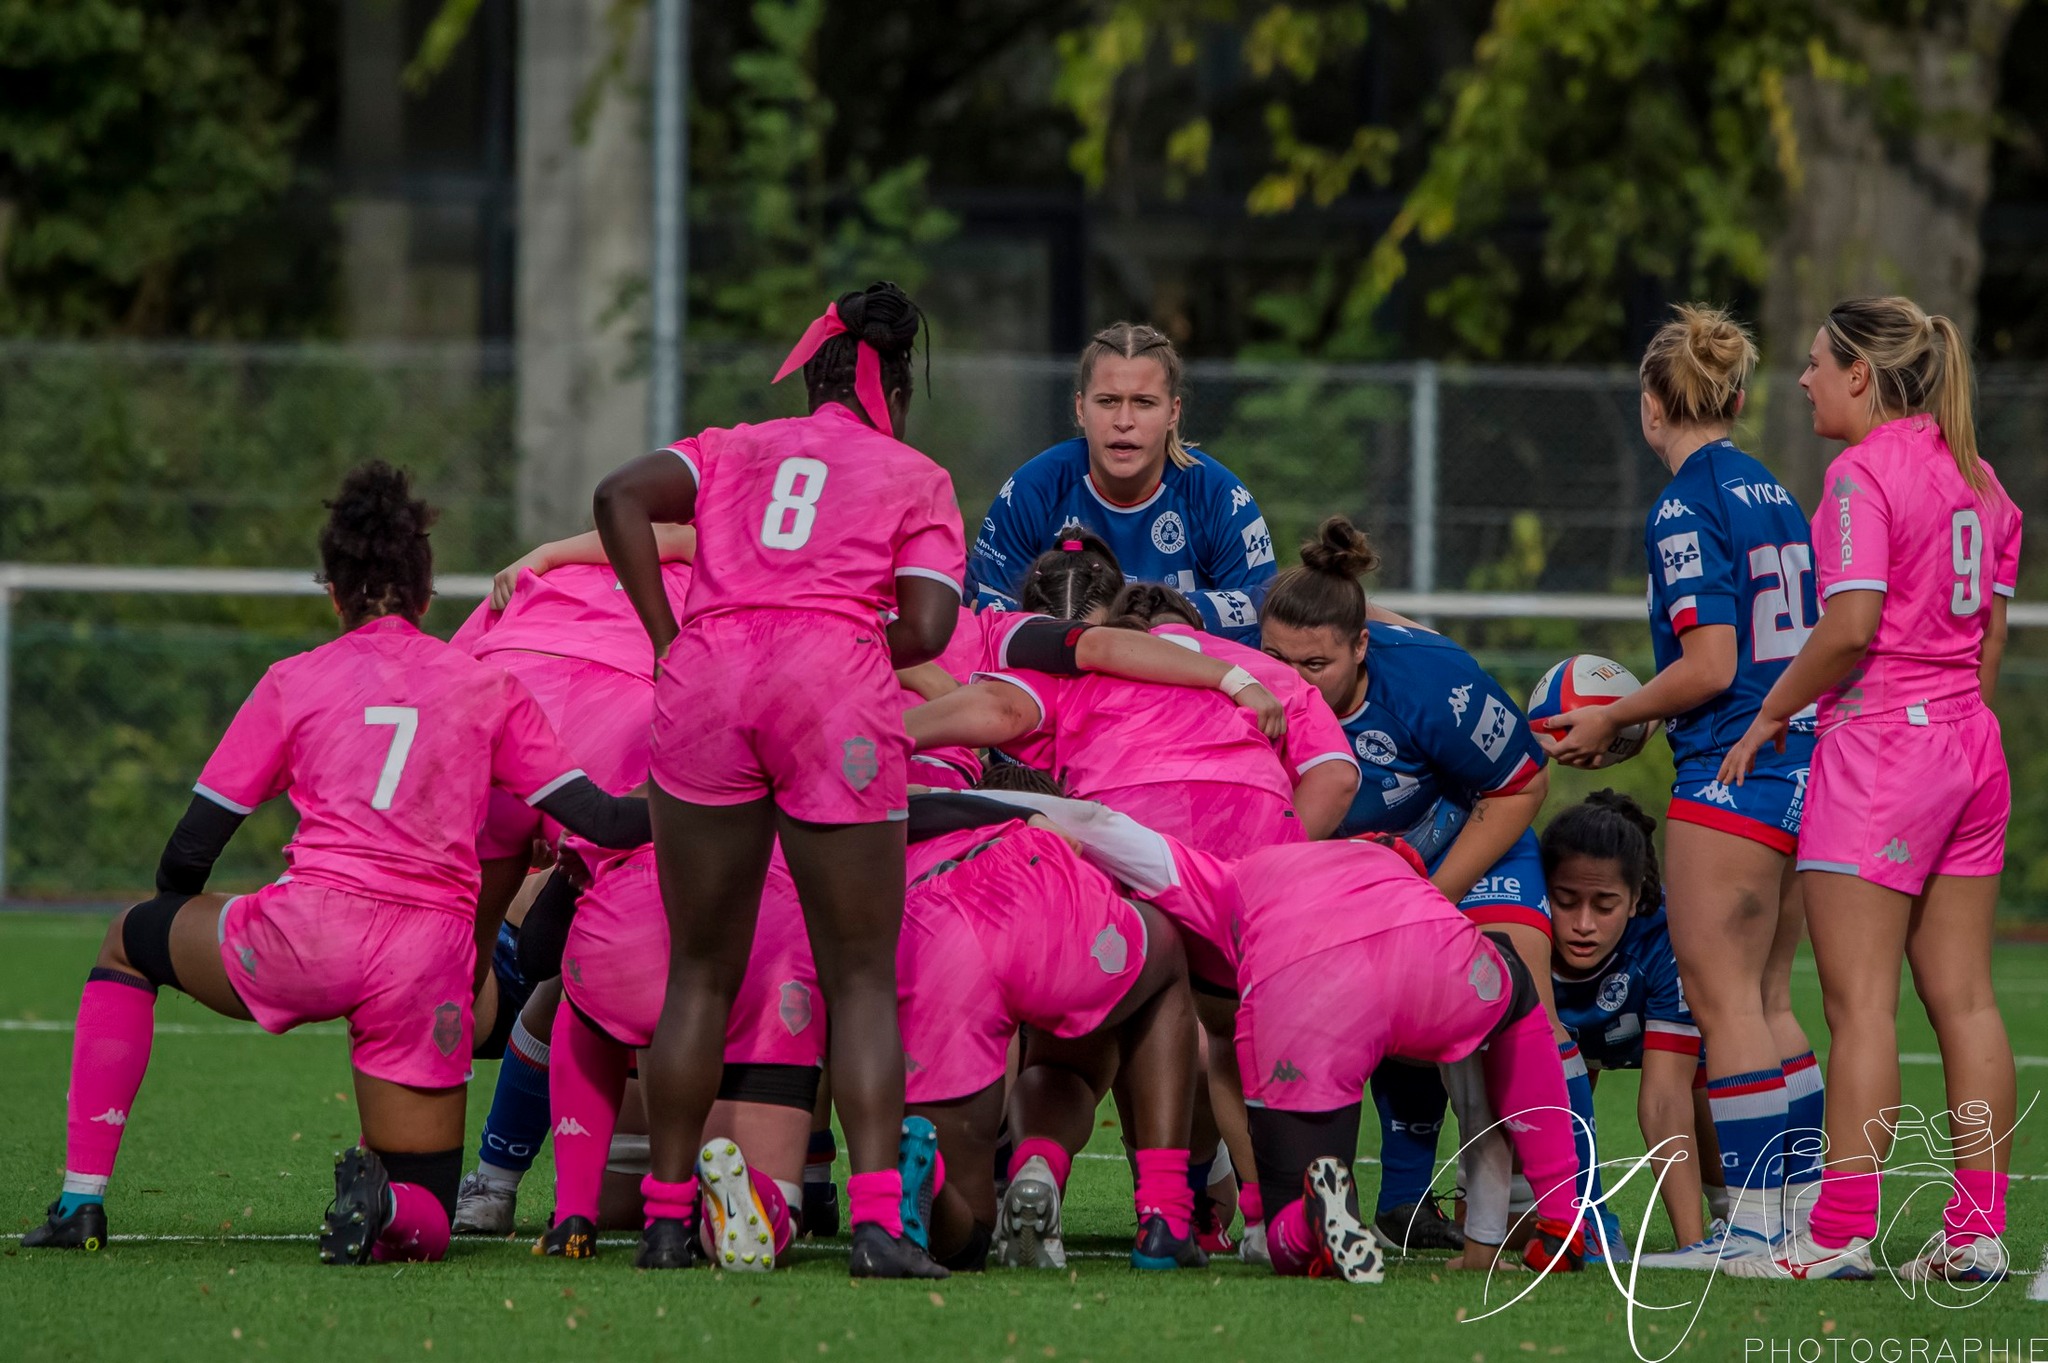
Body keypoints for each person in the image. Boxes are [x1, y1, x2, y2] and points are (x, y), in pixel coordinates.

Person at [21, 463, 654, 1262]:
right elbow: (597, 815)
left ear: (334, 594)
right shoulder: (487, 685)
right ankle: (386, 1205)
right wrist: (705, 795)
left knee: (126, 940)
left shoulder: (294, 681)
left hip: (303, 933)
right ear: (427, 596)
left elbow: (191, 846)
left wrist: (181, 923)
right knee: (426, 1204)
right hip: (427, 966)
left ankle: (81, 1199)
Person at [592, 281, 963, 1277]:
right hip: (830, 685)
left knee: (699, 971)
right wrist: (834, 643)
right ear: (899, 379)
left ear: (813, 369)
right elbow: (926, 629)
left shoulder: (732, 445)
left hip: (707, 676)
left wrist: (673, 640)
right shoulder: (912, 471)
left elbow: (617, 496)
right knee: (859, 975)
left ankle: (667, 1221)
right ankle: (881, 1225)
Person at [1720, 296, 2021, 1283]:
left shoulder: (1859, 475)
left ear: (1860, 374)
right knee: (1966, 1002)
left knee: (1858, 1006)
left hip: (1884, 746)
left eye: (1813, 363)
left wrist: (1768, 713)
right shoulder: (1979, 477)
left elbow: (1848, 626)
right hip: (1969, 745)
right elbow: (1986, 641)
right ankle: (1975, 1232)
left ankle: (1839, 1229)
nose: (1801, 379)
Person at [988, 792, 1592, 1283]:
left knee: (1281, 1231)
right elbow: (1482, 1116)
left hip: (1302, 988)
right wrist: (1486, 1243)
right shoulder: (1401, 875)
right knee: (1514, 993)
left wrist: (960, 800)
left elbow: (1098, 823)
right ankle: (1564, 1219)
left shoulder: (1238, 871)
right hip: (1429, 949)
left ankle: (1310, 1222)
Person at [1545, 305, 1825, 1270]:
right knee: (1773, 995)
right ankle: (1799, 1221)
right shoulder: (1777, 491)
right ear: (1738, 399)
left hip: (1733, 770)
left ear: (1650, 406)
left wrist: (1619, 717)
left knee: (1722, 999)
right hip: (1800, 758)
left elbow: (1710, 664)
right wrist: (1647, 714)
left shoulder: (1683, 502)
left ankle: (1749, 1226)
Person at [1258, 516, 1592, 1260]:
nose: (1289, 678)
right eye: (1275, 657)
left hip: (1468, 839)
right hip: (1356, 878)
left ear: (1362, 647)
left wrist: (1431, 896)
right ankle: (1363, 1207)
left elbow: (1519, 786)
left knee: (1515, 996)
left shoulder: (1432, 682)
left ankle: (1568, 1211)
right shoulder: (1249, 693)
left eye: (1314, 664)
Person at [445, 532, 698, 1235]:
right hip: (619, 759)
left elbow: (452, 671)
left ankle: (443, 1176)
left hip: (496, 710)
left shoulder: (551, 577)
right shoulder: (743, 562)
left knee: (464, 969)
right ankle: (793, 1184)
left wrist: (546, 555)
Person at [893, 791, 1200, 1271]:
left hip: (934, 935)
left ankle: (931, 1185)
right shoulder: (1061, 829)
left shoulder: (914, 818)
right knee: (1164, 957)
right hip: (1034, 888)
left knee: (968, 1234)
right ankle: (1166, 1218)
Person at [966, 323, 1276, 644]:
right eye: (1108, 401)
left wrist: (1168, 611)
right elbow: (983, 613)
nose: (1124, 421)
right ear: (1080, 408)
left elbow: (1265, 608)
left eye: (1143, 402)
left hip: (1180, 684)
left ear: (1173, 411)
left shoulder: (1221, 497)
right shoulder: (1032, 490)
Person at [1543, 792, 1726, 1251]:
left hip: (1659, 1042)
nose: (1583, 923)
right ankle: (1585, 1219)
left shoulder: (1668, 937)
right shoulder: (1524, 926)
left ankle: (1729, 1213)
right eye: (1565, 901)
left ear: (1635, 899)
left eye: (1604, 906)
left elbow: (1665, 1099)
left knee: (1703, 1084)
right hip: (1563, 1052)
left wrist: (1692, 1248)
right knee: (1516, 1216)